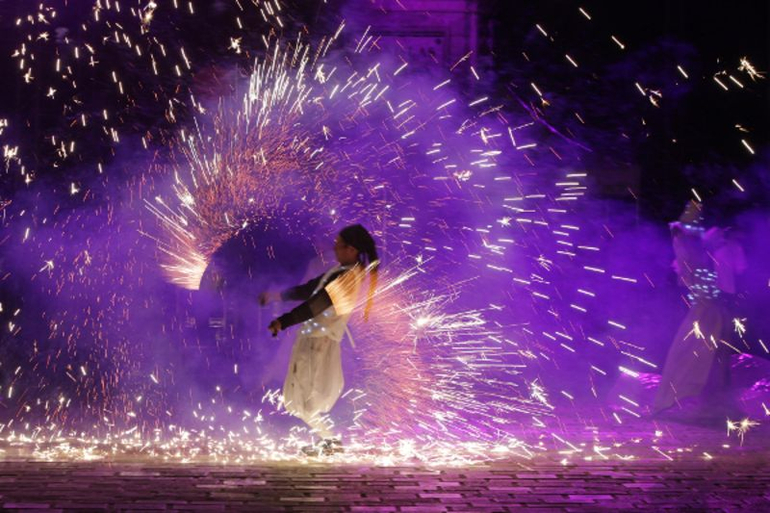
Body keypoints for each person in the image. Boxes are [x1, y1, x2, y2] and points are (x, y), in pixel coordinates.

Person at [259, 224, 379, 455]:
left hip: (319, 341)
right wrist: (277, 296)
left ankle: (330, 441)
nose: (334, 249)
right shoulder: (342, 271)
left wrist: (284, 321)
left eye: (339, 245)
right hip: (316, 339)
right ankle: (328, 441)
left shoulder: (348, 277)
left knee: (303, 399)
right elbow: (310, 290)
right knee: (305, 397)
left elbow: (316, 305)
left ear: (352, 249)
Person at [652, 201, 747, 417]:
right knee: (698, 353)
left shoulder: (697, 245)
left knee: (707, 354)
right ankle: (695, 400)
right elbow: (692, 275)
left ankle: (709, 401)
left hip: (710, 308)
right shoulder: (689, 245)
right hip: (706, 309)